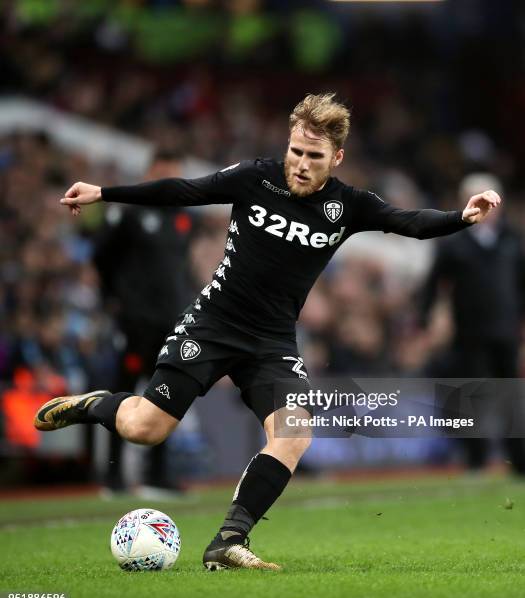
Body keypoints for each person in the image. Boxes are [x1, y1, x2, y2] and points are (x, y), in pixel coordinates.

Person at [34, 93, 500, 571]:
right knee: (144, 428)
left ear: (336, 158)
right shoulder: (254, 177)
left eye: (313, 157)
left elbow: (409, 222)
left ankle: (229, 540)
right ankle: (93, 404)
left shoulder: (350, 204)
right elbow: (183, 190)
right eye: (296, 151)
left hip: (271, 340)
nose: (299, 164)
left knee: (295, 434)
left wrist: (460, 218)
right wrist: (105, 192)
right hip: (213, 324)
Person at [93, 149, 192, 496]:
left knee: (165, 396)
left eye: (176, 174)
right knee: (122, 394)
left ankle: (156, 474)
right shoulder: (127, 212)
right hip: (134, 322)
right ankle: (113, 475)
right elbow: (101, 258)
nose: (171, 181)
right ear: (151, 171)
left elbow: (180, 270)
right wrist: (115, 300)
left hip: (170, 323)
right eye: (166, 172)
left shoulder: (182, 218)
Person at [419, 173, 525, 474]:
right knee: (472, 395)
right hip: (469, 333)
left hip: (506, 332)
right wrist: (426, 319)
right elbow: (433, 283)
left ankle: (519, 460)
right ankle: (476, 459)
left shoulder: (512, 240)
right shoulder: (455, 242)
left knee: (510, 396)